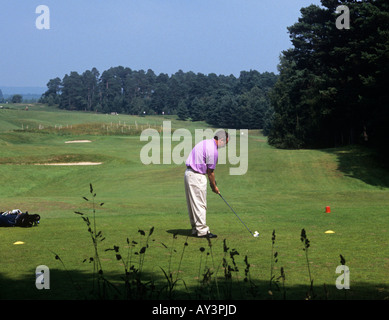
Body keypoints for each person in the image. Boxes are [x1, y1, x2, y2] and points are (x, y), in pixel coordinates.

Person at [184, 130, 229, 238]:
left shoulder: (205, 142)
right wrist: (214, 187)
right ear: (221, 139)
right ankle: (202, 231)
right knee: (200, 204)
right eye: (225, 143)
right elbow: (210, 172)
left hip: (188, 173)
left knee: (193, 204)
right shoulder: (213, 150)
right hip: (197, 176)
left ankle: (196, 229)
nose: (225, 145)